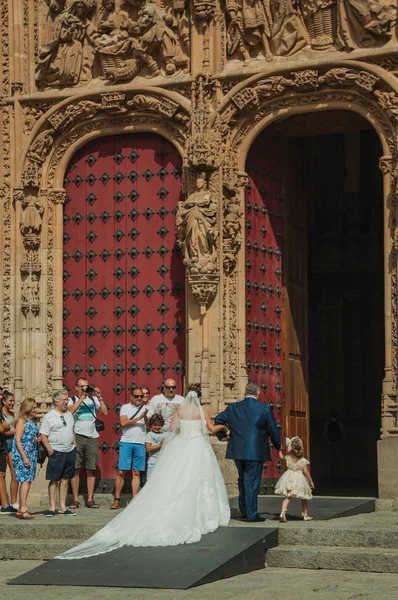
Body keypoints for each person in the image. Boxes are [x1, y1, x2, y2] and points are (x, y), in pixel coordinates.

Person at [58, 387, 229, 559]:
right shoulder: (202, 410)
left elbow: (172, 429)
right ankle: (200, 513)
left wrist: (181, 432)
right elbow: (212, 429)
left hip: (183, 445)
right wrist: (227, 425)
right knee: (199, 478)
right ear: (200, 397)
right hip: (198, 445)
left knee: (179, 478)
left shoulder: (181, 410)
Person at [214, 381, 281, 522]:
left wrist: (223, 437)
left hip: (237, 450)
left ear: (245, 393)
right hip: (255, 451)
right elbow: (273, 431)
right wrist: (278, 446)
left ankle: (244, 509)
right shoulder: (264, 409)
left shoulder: (233, 408)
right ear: (258, 393)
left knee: (242, 479)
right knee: (252, 481)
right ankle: (251, 514)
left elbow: (218, 419)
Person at [67, 378, 108, 509]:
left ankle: (90, 499)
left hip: (92, 437)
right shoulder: (71, 400)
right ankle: (75, 499)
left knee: (91, 468)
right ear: (76, 387)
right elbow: (70, 411)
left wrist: (100, 397)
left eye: (86, 386)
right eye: (82, 386)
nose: (85, 388)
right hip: (77, 436)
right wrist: (81, 398)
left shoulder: (93, 399)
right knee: (76, 468)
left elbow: (104, 412)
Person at [40, 389, 77, 517]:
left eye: (67, 399)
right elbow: (43, 435)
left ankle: (62, 506)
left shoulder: (69, 415)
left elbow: (72, 431)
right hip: (56, 451)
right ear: (56, 401)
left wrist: (74, 445)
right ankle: (52, 507)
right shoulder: (49, 417)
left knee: (65, 480)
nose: (66, 402)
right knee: (54, 480)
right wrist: (50, 450)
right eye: (64, 400)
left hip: (69, 450)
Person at [111, 387, 148, 510]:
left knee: (136, 472)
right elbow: (123, 422)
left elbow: (149, 425)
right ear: (131, 396)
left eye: (141, 396)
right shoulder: (125, 407)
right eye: (136, 396)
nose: (139, 399)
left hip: (141, 442)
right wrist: (139, 418)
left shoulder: (147, 408)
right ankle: (117, 499)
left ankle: (134, 500)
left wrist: (146, 417)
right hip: (126, 442)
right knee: (121, 471)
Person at [12, 398, 41, 519]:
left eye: (36, 407)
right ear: (27, 408)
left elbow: (29, 437)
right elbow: (18, 440)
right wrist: (24, 457)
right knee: (25, 480)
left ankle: (20, 509)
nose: (35, 410)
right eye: (33, 407)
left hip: (31, 453)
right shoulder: (21, 421)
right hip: (22, 454)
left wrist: (36, 440)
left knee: (28, 481)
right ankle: (23, 507)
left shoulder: (32, 421)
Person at [275, 436, 314, 522]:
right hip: (299, 479)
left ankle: (282, 513)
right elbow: (306, 472)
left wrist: (279, 450)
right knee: (303, 498)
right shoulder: (303, 460)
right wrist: (311, 481)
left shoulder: (288, 457)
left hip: (289, 477)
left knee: (288, 497)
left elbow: (281, 457)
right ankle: (305, 515)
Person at [1, 391, 18, 510]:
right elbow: (3, 431)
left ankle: (13, 502)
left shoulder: (12, 415)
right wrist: (15, 431)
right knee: (2, 475)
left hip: (12, 447)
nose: (12, 403)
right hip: (3, 445)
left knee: (15, 475)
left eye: (13, 400)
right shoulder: (1, 415)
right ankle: (4, 503)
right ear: (4, 401)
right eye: (10, 401)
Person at [145, 414, 165, 479]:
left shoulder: (165, 434)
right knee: (150, 482)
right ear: (151, 425)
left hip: (163, 463)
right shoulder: (149, 434)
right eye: (155, 425)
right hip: (153, 463)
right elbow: (148, 448)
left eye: (159, 425)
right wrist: (160, 445)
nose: (157, 427)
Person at [0, 407, 12, 514]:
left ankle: (5, 505)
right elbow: (2, 428)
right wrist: (4, 427)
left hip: (2, 447)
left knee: (2, 475)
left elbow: (6, 426)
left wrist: (4, 427)